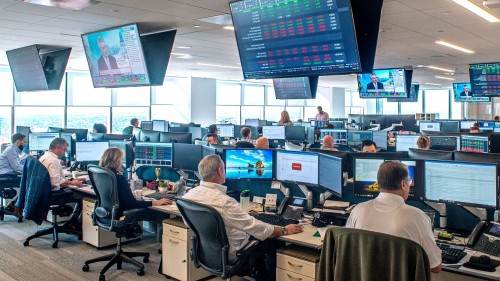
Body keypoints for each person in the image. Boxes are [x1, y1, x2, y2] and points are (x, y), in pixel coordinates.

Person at [182, 155, 303, 279]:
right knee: (273, 243)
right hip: (234, 254)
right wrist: (285, 230)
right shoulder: (225, 202)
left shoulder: (188, 196)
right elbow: (256, 227)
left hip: (207, 253)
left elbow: (189, 223)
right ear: (219, 171)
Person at [346, 161, 442, 273]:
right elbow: (435, 267)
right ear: (403, 184)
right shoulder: (417, 217)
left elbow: (347, 251)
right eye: (409, 181)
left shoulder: (358, 210)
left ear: (378, 183)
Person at [99, 148, 171, 215]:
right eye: (121, 160)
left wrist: (129, 196)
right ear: (116, 162)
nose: (121, 163)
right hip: (121, 213)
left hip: (107, 213)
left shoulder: (101, 175)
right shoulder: (119, 178)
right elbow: (132, 204)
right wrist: (155, 202)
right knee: (158, 214)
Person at [39, 138, 86, 230]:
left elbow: (54, 178)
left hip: (44, 193)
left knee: (76, 191)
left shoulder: (44, 157)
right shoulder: (53, 160)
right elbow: (55, 182)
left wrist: (73, 180)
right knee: (83, 196)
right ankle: (74, 223)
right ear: (57, 147)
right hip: (52, 195)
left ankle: (72, 222)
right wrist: (73, 183)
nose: (64, 153)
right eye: (64, 150)